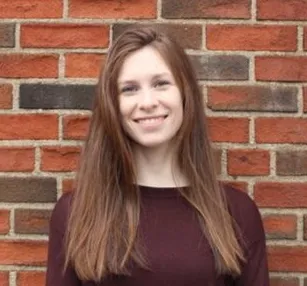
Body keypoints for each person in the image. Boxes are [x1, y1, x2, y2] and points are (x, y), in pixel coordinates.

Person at [46, 26, 269, 286]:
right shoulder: (76, 213)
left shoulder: (236, 213)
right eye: (129, 89)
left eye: (161, 84)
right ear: (112, 105)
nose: (148, 101)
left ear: (185, 94)